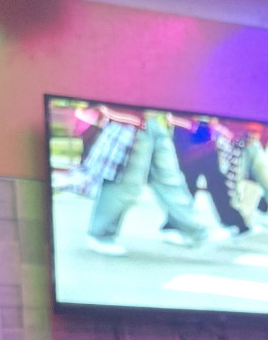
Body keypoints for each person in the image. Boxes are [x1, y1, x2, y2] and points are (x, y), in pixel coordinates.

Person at [78, 105, 210, 257]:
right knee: (125, 185)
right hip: (130, 120)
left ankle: (197, 231)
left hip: (154, 121)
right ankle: (100, 234)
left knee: (170, 181)